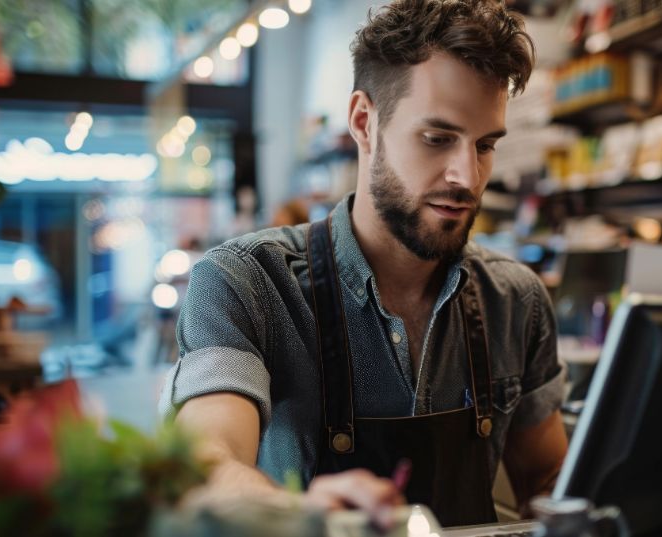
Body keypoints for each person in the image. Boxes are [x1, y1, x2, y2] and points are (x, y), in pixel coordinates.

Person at [159, 0, 568, 526]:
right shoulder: (246, 283)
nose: (467, 176)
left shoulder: (516, 300)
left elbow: (547, 480)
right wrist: (295, 514)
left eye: (485, 145)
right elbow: (206, 461)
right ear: (363, 122)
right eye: (437, 138)